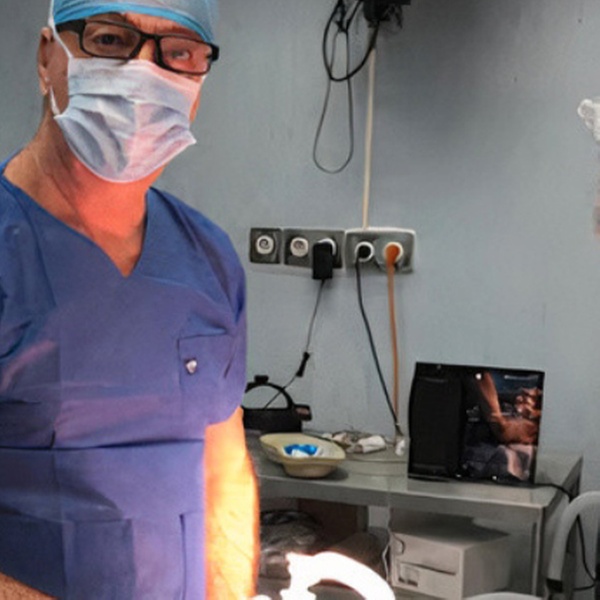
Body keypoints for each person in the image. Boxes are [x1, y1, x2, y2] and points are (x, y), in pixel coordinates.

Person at [0, 0, 259, 598]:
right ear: (48, 57)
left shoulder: (208, 260)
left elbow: (223, 476)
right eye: (111, 39)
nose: (145, 73)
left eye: (179, 53)